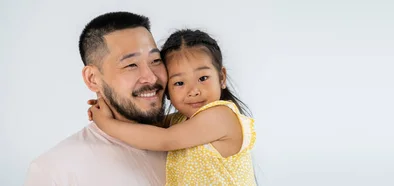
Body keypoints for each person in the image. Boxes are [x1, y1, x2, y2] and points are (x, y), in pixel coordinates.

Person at [88, 29, 257, 186]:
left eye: (203, 78)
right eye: (179, 83)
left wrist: (105, 122)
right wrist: (108, 106)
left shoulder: (221, 116)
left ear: (221, 77)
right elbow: (145, 128)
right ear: (167, 90)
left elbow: (164, 139)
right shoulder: (180, 121)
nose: (193, 91)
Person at [23, 11, 168, 186]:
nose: (151, 78)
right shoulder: (55, 170)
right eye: (131, 65)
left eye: (156, 60)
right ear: (92, 78)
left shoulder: (191, 140)